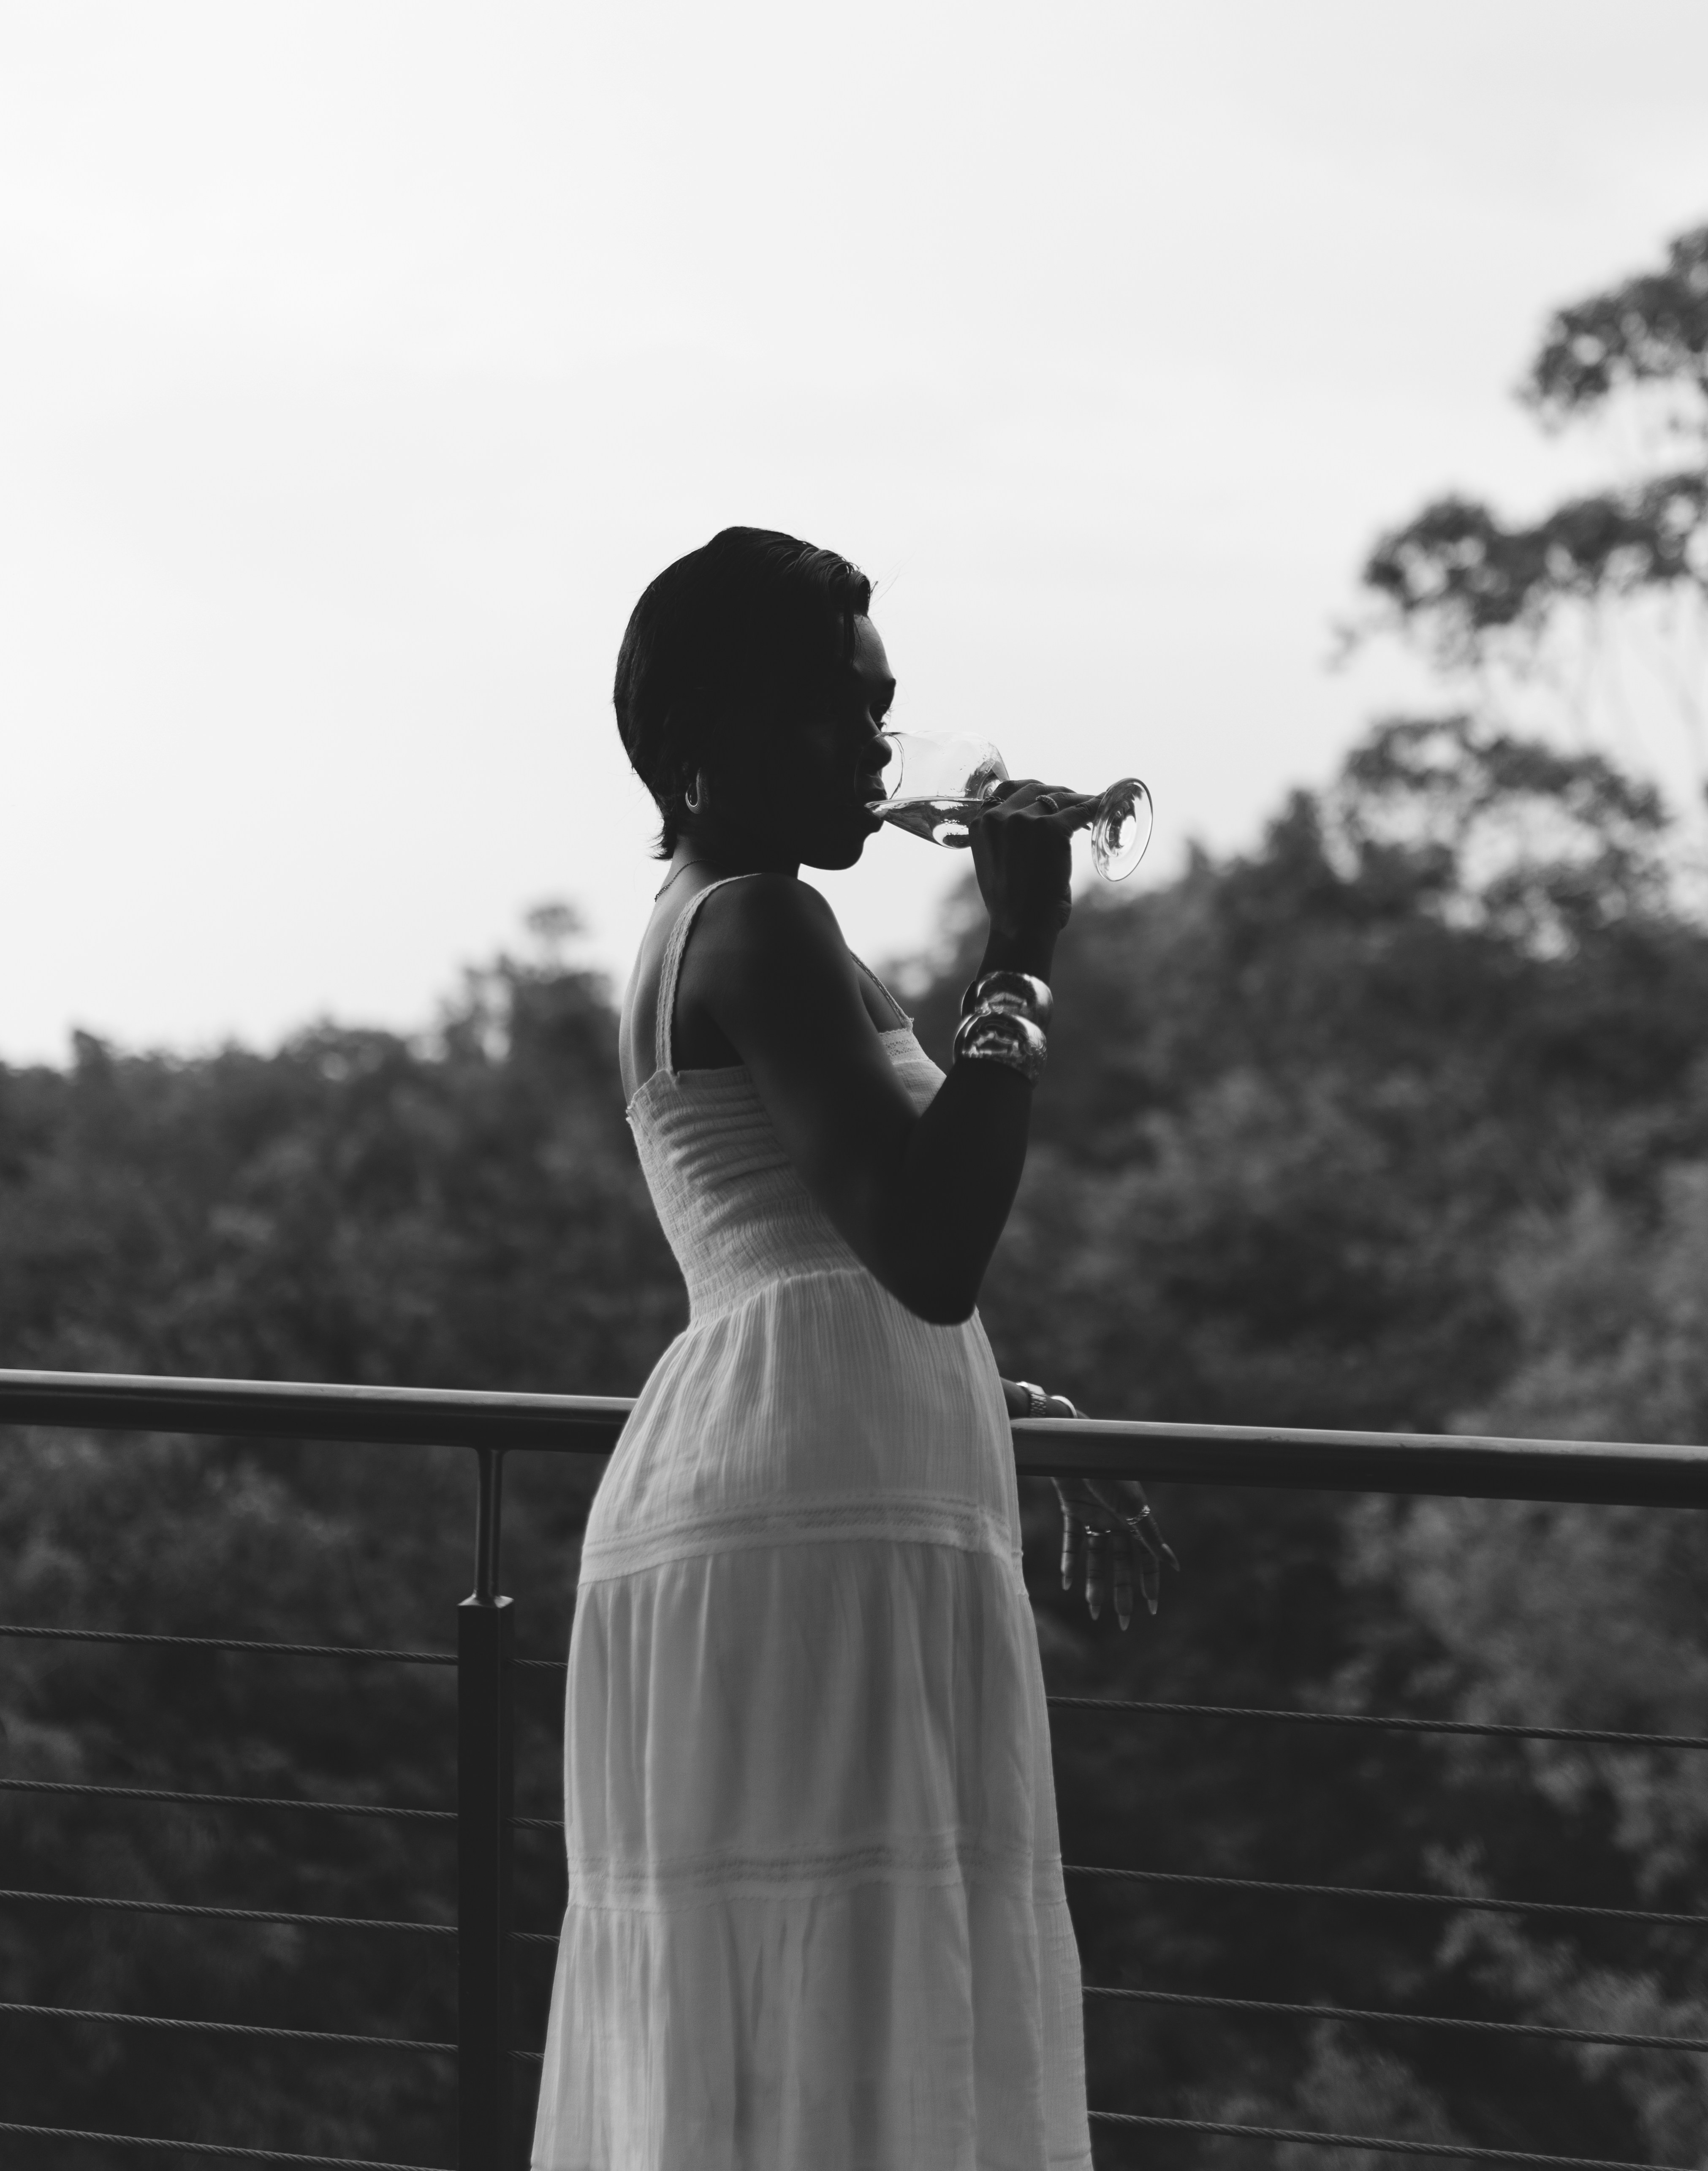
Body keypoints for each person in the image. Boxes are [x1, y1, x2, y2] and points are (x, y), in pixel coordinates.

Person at [532, 527, 1170, 2171]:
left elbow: (813, 1244)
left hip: (809, 1471)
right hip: (807, 1509)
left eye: (884, 711)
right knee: (862, 1986)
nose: (884, 749)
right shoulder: (754, 923)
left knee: (821, 2010)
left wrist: (999, 1404)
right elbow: (926, 1243)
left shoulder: (722, 923)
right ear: (712, 744)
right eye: (838, 708)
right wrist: (1021, 953)